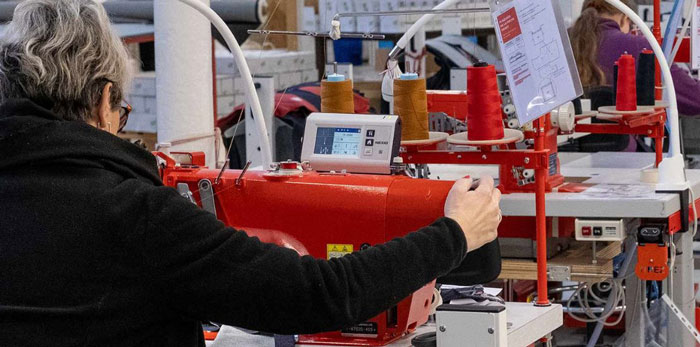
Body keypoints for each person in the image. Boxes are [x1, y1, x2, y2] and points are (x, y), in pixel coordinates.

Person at [0, 1, 502, 346]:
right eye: (123, 114)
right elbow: (320, 294)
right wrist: (455, 232)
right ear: (104, 98)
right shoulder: (134, 214)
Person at [567, 0, 700, 151]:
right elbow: (694, 99)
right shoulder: (639, 46)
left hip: (563, 155)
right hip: (623, 160)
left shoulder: (563, 42)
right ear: (625, 18)